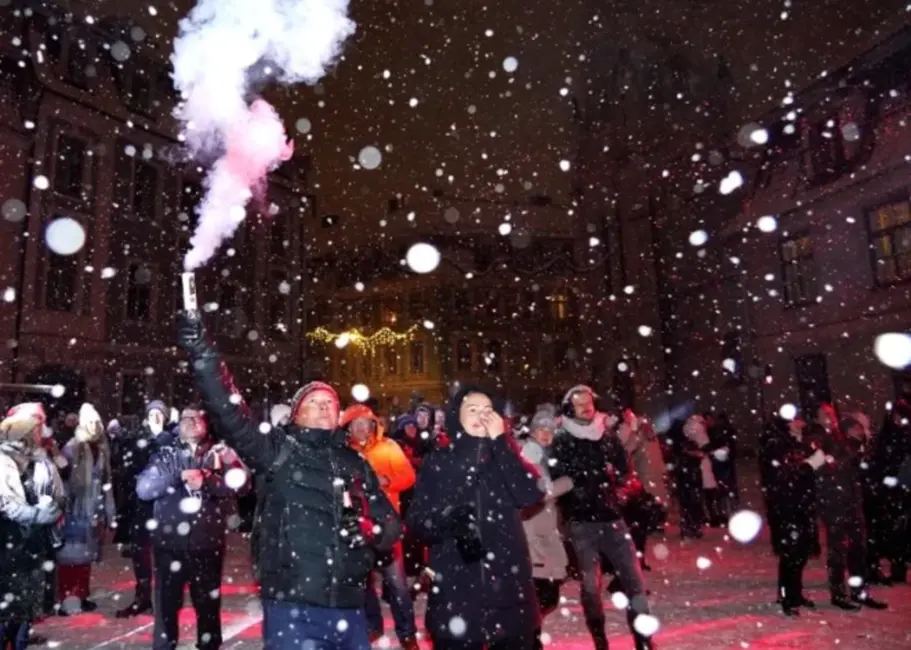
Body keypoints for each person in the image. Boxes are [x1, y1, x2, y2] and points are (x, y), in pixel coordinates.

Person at [177, 312, 401, 650]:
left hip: (349, 603)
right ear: (297, 414)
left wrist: (370, 529)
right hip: (293, 603)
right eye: (315, 402)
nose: (324, 407)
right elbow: (229, 413)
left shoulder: (355, 462)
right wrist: (202, 353)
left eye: (330, 402)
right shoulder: (278, 451)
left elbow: (391, 524)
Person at [408, 386, 544, 650]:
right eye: (472, 409)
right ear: (456, 417)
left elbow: (530, 494)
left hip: (508, 586)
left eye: (487, 410)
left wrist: (501, 442)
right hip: (456, 590)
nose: (482, 415)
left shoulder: (506, 457)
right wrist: (446, 521)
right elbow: (416, 520)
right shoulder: (438, 461)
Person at [549, 385, 655, 650]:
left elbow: (622, 468)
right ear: (569, 409)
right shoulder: (562, 439)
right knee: (590, 583)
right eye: (579, 404)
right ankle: (599, 639)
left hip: (612, 517)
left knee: (634, 578)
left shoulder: (605, 434)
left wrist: (618, 484)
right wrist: (586, 478)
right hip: (581, 521)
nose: (586, 407)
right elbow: (561, 474)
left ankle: (643, 638)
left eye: (589, 402)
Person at [137, 408, 249, 650]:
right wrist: (178, 477)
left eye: (197, 418)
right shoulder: (166, 454)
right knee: (166, 607)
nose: (192, 422)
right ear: (178, 425)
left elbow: (242, 485)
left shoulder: (218, 452)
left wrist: (209, 480)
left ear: (206, 424)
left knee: (208, 608)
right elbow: (144, 489)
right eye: (186, 418)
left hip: (207, 544)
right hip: (169, 545)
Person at [340, 404, 418, 650]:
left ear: (374, 425)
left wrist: (386, 481)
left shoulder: (389, 447)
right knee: (363, 583)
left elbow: (409, 477)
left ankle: (407, 633)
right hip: (360, 527)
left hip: (387, 527)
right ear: (348, 427)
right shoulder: (344, 453)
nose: (362, 428)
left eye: (366, 423)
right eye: (356, 424)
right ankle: (373, 626)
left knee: (397, 584)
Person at [0, 404, 65, 650]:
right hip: (7, 544)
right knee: (6, 612)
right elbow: (6, 505)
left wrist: (53, 509)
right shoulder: (3, 461)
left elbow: (60, 496)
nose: (40, 431)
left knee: (23, 613)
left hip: (33, 546)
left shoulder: (41, 462)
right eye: (34, 427)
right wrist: (38, 514)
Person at [810, 403, 887, 611]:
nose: (830, 417)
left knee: (858, 548)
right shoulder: (817, 438)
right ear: (817, 418)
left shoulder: (839, 436)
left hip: (851, 499)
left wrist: (859, 443)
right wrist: (848, 452)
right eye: (824, 414)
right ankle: (839, 594)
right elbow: (821, 467)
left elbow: (854, 462)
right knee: (838, 550)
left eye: (831, 413)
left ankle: (859, 591)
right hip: (833, 501)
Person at [110, 400, 175, 618]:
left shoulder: (170, 440)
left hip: (164, 506)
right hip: (140, 506)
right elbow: (128, 468)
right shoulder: (139, 440)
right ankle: (143, 597)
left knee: (164, 554)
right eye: (152, 413)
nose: (155, 417)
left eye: (159, 414)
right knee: (141, 554)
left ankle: (164, 599)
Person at [519, 406, 573, 650]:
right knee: (543, 596)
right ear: (532, 431)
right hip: (533, 535)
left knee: (544, 596)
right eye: (541, 429)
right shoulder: (529, 453)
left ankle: (529, 637)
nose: (546, 434)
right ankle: (528, 639)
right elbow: (535, 492)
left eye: (550, 430)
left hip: (545, 532)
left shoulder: (544, 455)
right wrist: (565, 484)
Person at [56, 403, 115, 614]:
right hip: (75, 510)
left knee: (86, 556)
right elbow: (65, 482)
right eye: (90, 422)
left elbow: (106, 482)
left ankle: (81, 595)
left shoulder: (101, 448)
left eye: (97, 422)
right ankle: (67, 598)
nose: (94, 426)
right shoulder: (73, 447)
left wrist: (108, 513)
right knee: (70, 557)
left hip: (93, 510)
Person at [762, 414, 823, 615]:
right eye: (797, 420)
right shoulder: (777, 444)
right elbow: (782, 475)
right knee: (791, 554)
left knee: (800, 553)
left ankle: (795, 593)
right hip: (786, 507)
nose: (802, 423)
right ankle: (787, 597)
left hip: (801, 504)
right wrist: (809, 465)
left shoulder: (799, 442)